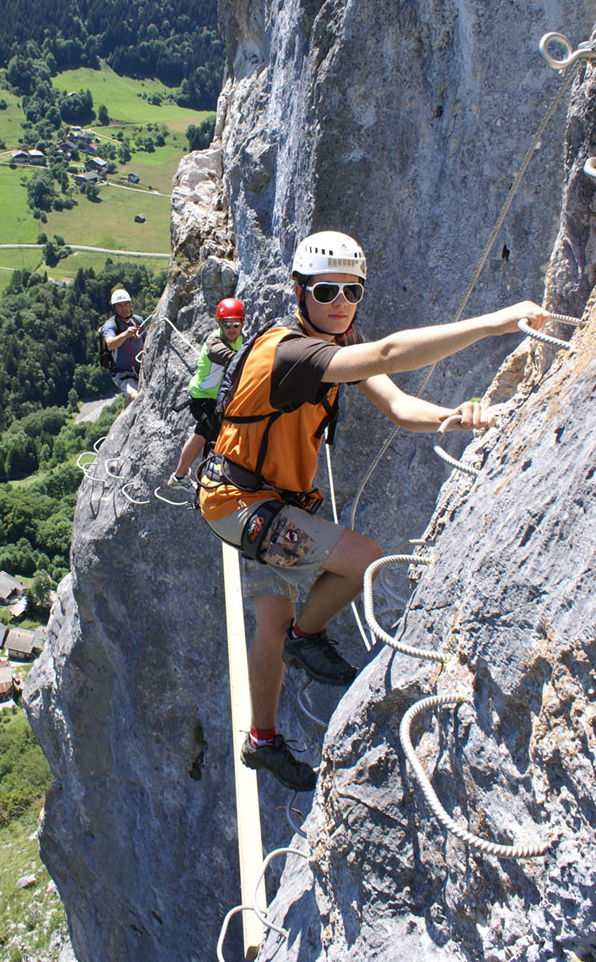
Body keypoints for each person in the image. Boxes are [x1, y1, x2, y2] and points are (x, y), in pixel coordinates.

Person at [199, 230, 550, 792]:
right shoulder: (292, 354)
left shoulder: (332, 349)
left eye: (352, 291)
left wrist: (454, 418)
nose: (341, 303)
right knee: (362, 559)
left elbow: (400, 405)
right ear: (299, 291)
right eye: (327, 290)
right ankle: (306, 639)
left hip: (256, 500)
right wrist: (496, 321)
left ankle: (261, 739)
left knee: (270, 622)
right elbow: (387, 354)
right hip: (243, 502)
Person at [168, 298, 246, 488]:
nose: (232, 329)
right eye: (227, 324)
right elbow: (233, 359)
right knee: (217, 432)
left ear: (242, 324)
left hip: (218, 399)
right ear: (219, 324)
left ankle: (178, 477)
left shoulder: (242, 339)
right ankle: (216, 478)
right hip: (202, 398)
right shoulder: (214, 343)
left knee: (202, 435)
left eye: (237, 324)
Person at [102, 287, 146, 403]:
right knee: (135, 398)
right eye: (120, 306)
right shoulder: (111, 325)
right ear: (114, 308)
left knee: (130, 400)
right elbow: (110, 344)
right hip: (123, 374)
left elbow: (148, 342)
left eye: (126, 304)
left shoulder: (138, 321)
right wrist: (125, 334)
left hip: (141, 370)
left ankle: (122, 419)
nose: (124, 308)